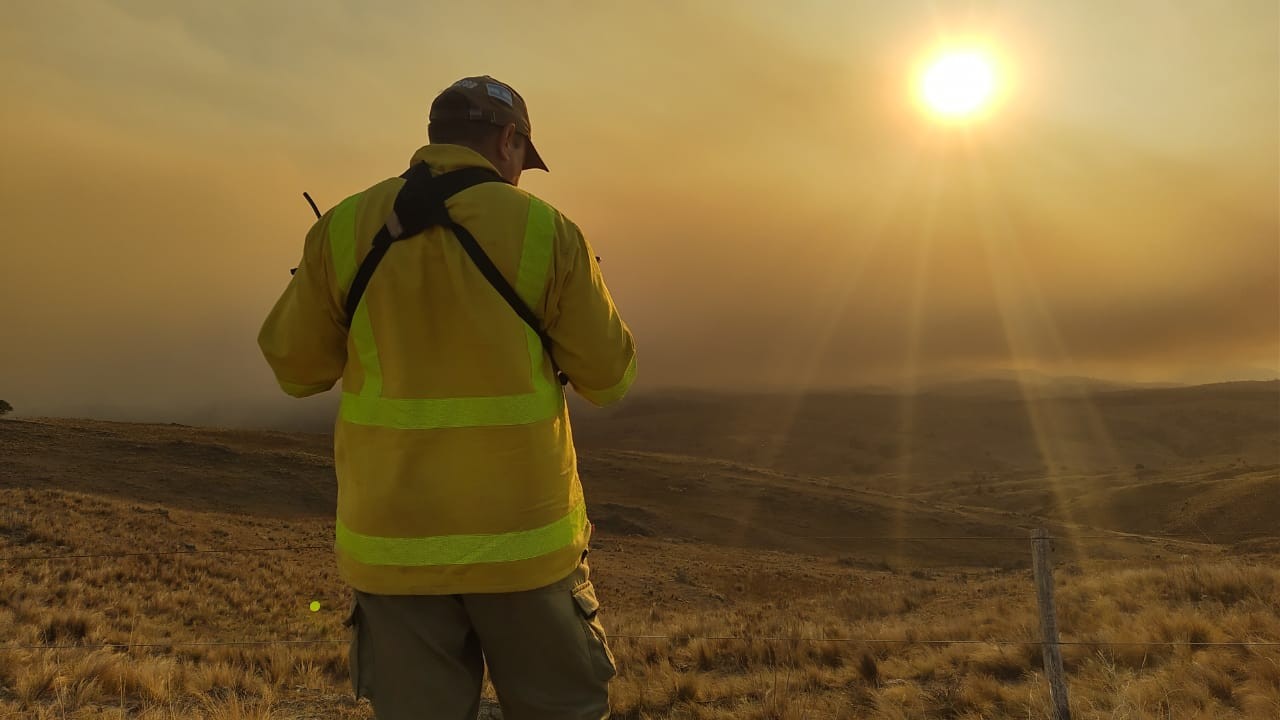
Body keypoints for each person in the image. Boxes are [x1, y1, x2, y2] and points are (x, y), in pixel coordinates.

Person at [258, 75, 637, 720]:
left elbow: (295, 369)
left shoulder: (344, 230)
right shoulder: (547, 232)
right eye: (524, 159)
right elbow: (610, 375)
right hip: (525, 543)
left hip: (393, 545)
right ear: (510, 140)